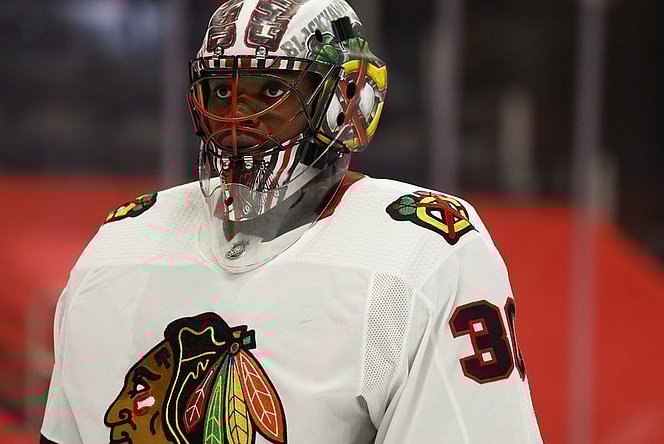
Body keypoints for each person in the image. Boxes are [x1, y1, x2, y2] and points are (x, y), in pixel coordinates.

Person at [39, 0, 543, 442]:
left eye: (267, 93)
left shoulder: (423, 255)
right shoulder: (117, 248)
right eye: (221, 93)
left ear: (347, 102)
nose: (237, 121)